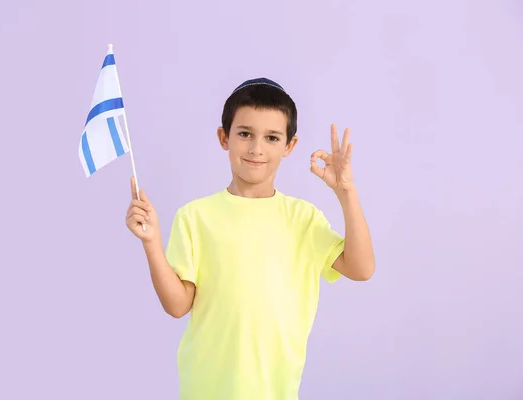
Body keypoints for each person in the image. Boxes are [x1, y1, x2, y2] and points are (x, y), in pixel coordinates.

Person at [125, 77, 375, 399]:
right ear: (224, 137)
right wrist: (151, 243)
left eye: (271, 137)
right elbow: (177, 305)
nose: (257, 148)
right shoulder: (195, 217)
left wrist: (346, 193)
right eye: (245, 134)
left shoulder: (303, 219)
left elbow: (362, 268)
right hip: (206, 390)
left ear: (289, 146)